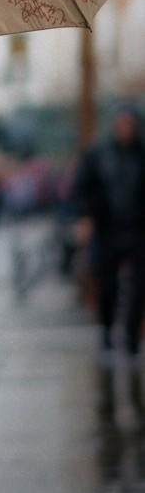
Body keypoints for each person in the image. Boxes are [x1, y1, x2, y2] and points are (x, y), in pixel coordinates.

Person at [73, 104, 145, 415]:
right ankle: (106, 332)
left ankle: (130, 338)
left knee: (139, 286)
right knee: (107, 287)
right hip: (107, 231)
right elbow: (81, 189)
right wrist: (85, 218)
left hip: (138, 231)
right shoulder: (99, 153)